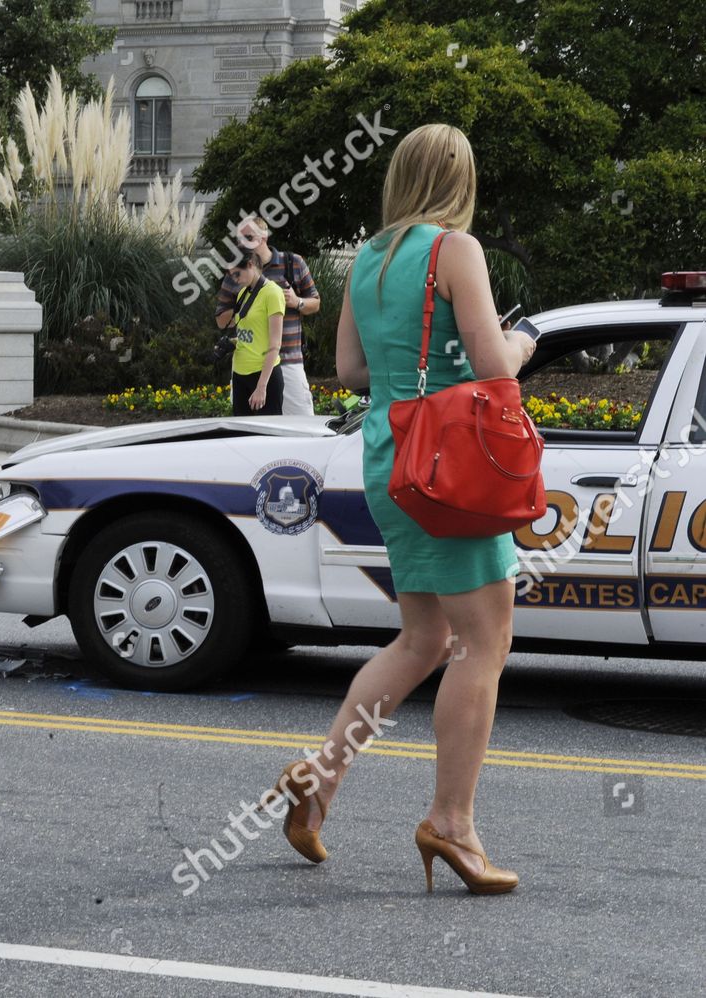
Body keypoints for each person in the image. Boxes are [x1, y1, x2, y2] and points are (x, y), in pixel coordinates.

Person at [256, 124, 537, 894]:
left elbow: (348, 368)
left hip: (391, 459)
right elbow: (490, 366)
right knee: (484, 643)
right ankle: (451, 824)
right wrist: (522, 343)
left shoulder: (371, 259)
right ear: (461, 178)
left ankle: (323, 776)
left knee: (421, 636)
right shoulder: (456, 251)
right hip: (454, 465)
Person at [215, 216, 321, 415]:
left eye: (247, 237)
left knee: (301, 427)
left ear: (263, 238)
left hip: (288, 360)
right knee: (248, 432)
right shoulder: (237, 273)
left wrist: (296, 302)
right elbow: (221, 319)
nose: (241, 244)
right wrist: (249, 303)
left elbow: (315, 303)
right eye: (238, 240)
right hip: (248, 363)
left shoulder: (293, 262)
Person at [224, 251, 285, 416]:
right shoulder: (243, 294)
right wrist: (231, 343)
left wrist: (261, 387)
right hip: (239, 373)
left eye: (237, 274)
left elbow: (275, 344)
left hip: (263, 376)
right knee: (241, 438)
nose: (235, 280)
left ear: (250, 264)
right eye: (232, 276)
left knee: (267, 438)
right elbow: (251, 334)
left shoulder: (273, 293)